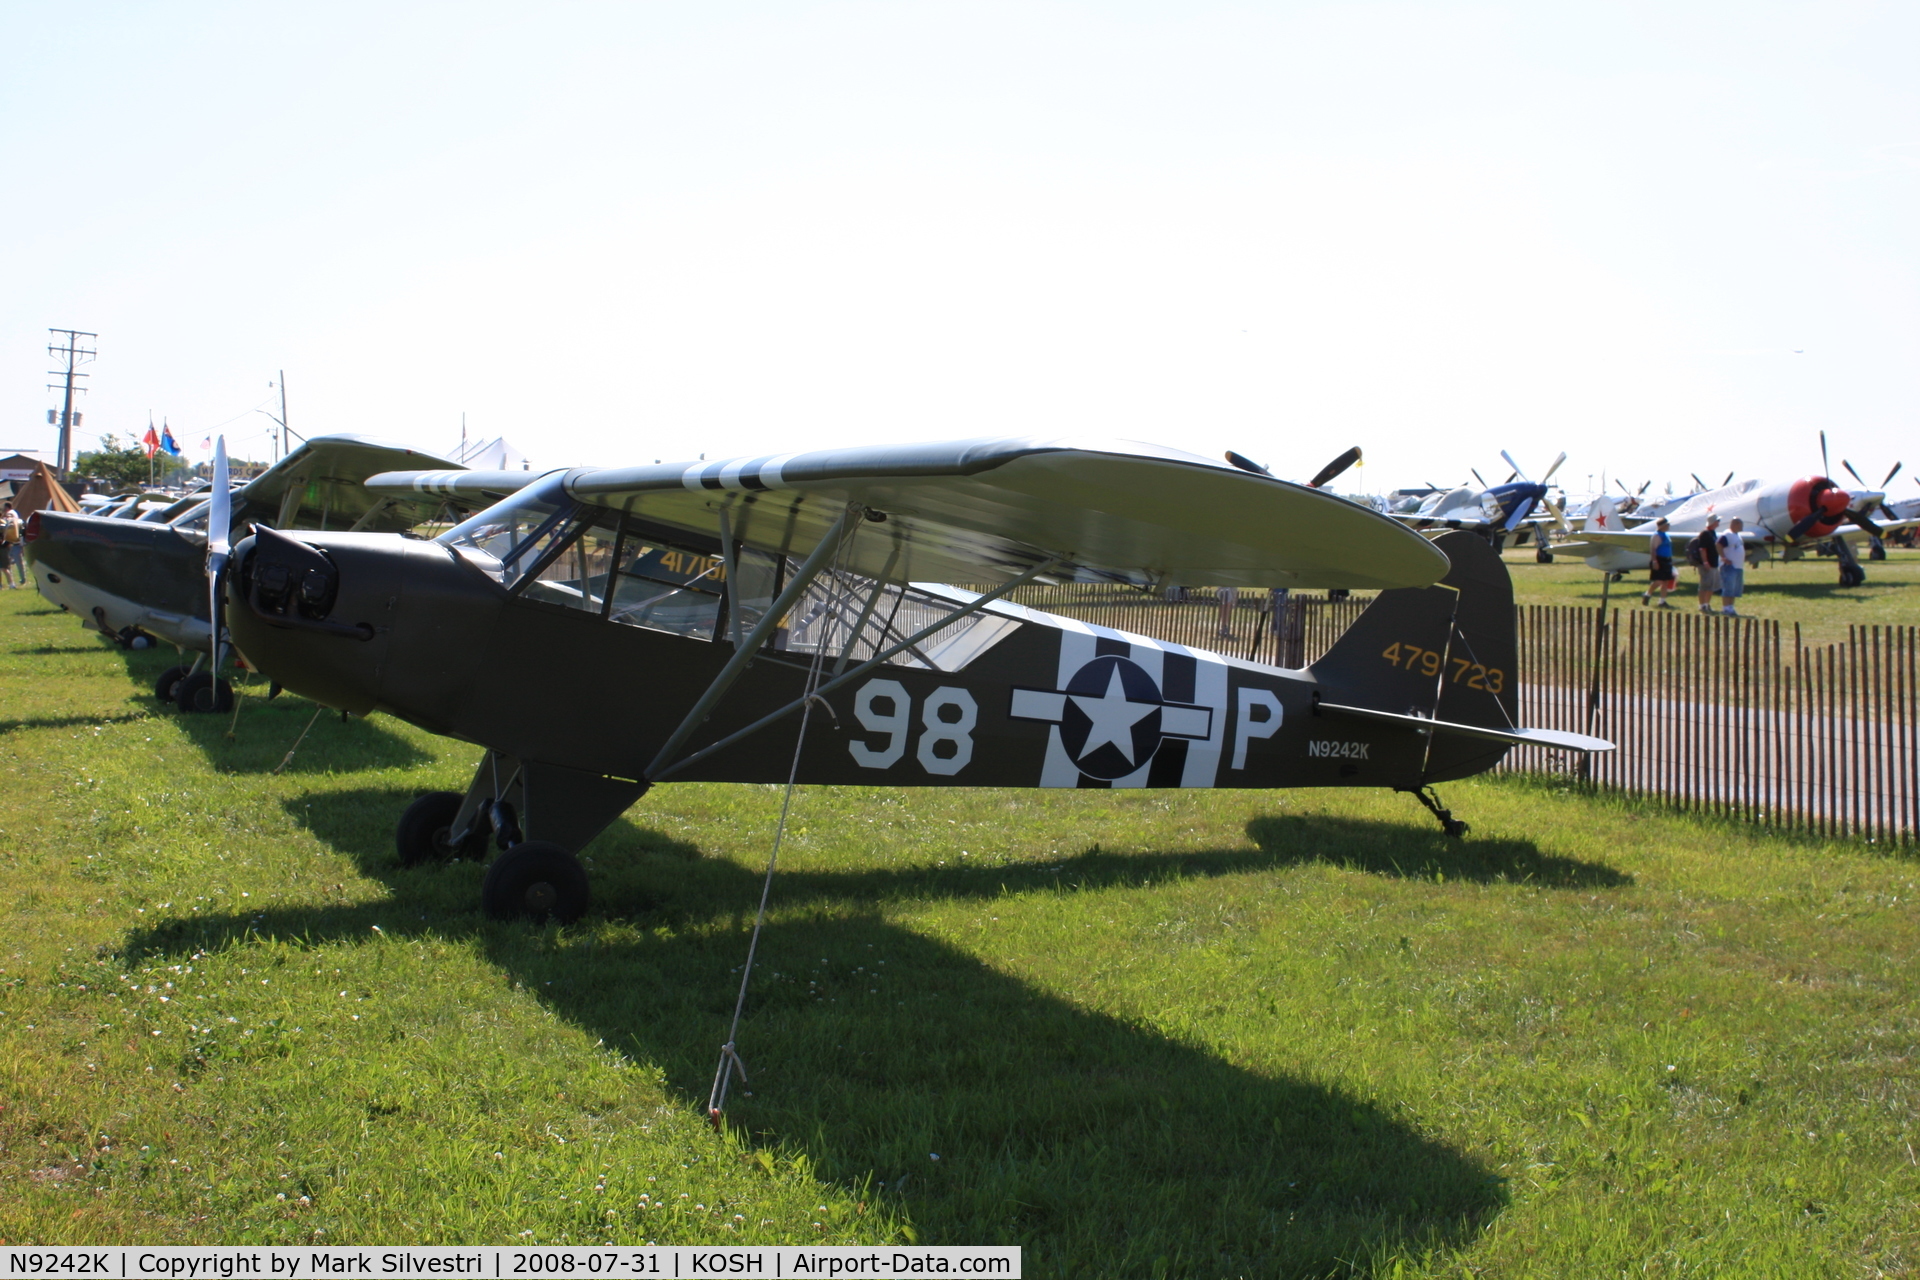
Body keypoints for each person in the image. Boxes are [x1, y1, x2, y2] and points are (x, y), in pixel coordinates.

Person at [1686, 514, 1721, 613]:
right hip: (1706, 564)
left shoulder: (1713, 533)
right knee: (1704, 584)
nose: (1718, 523)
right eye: (1717, 521)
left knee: (1711, 585)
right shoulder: (1705, 533)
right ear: (1713, 522)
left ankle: (1707, 604)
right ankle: (1702, 605)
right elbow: (1703, 549)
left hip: (1713, 563)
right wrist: (1705, 562)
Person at [1641, 517, 1677, 608]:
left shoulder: (1666, 535)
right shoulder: (1657, 535)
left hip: (1666, 559)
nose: (1669, 526)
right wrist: (1654, 561)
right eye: (1667, 524)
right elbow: (1653, 549)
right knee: (1659, 580)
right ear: (1662, 526)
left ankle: (1662, 601)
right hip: (1659, 559)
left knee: (1665, 581)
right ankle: (1647, 594)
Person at [1716, 516, 1747, 616]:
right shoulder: (1727, 535)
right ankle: (1725, 608)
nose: (1742, 526)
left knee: (1734, 589)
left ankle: (1731, 607)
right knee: (1728, 587)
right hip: (1729, 566)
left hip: (1738, 566)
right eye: (1740, 524)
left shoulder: (1737, 536)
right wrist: (1723, 557)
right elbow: (1718, 544)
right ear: (1735, 524)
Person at [0, 502, 24, 588]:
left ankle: (13, 583)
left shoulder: (4, 523)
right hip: (7, 546)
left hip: (5, 547)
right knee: (4, 567)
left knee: (5, 567)